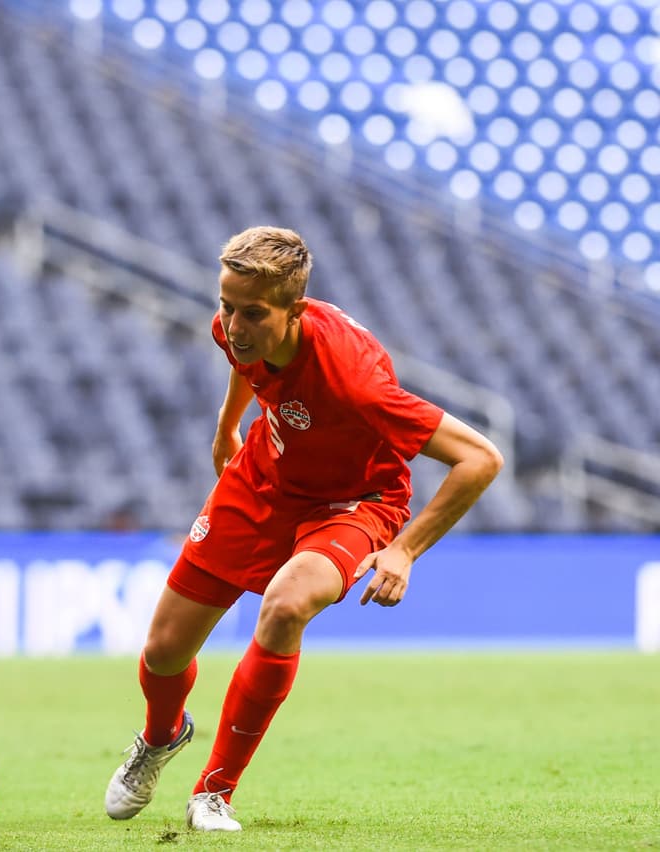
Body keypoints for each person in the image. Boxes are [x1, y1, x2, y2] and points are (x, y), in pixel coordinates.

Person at [103, 226, 503, 832]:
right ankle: (161, 737)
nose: (234, 326)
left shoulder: (356, 380)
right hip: (263, 476)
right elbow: (246, 359)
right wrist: (225, 428)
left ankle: (214, 792)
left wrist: (404, 550)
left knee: (287, 606)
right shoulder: (238, 327)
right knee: (163, 653)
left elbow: (481, 459)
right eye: (225, 306)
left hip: (352, 504)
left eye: (252, 313)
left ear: (296, 311)